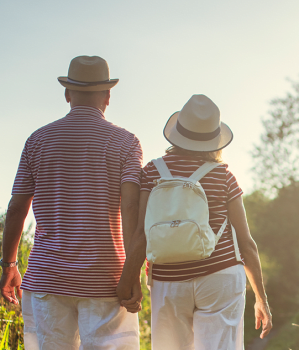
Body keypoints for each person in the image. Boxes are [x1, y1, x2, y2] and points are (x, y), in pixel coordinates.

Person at [0, 55, 144, 350]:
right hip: (105, 279)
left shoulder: (37, 140)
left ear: (67, 94)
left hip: (47, 278)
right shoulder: (126, 142)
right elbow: (130, 208)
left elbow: (16, 209)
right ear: (108, 95)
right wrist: (132, 272)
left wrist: (9, 265)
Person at [116, 94, 272, 349]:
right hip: (220, 276)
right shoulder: (224, 176)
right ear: (214, 139)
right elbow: (246, 243)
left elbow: (142, 234)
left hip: (168, 279)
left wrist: (128, 280)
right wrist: (261, 298)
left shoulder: (152, 171)